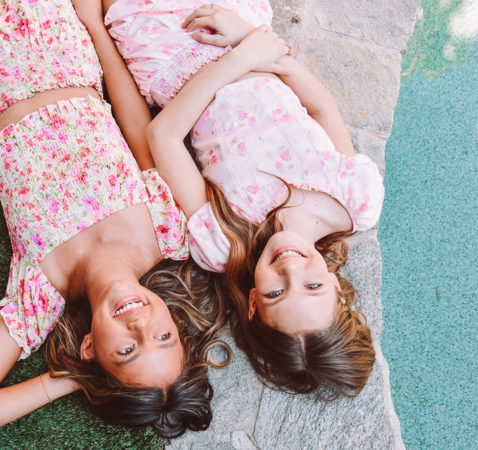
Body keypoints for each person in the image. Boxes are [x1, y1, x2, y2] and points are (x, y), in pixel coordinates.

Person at [0, 0, 230, 441]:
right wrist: (95, 28)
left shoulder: (43, 293)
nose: (140, 326)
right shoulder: (166, 232)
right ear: (174, 323)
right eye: (162, 337)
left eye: (125, 350)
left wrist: (73, 378)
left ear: (90, 349)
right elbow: (135, 124)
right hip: (59, 48)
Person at [74, 0, 384, 397]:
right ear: (336, 287)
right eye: (312, 287)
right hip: (239, 28)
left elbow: (163, 136)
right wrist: (252, 39)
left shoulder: (222, 242)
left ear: (253, 304)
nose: (290, 269)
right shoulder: (356, 201)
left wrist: (240, 59)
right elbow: (323, 106)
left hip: (171, 53)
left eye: (276, 293)